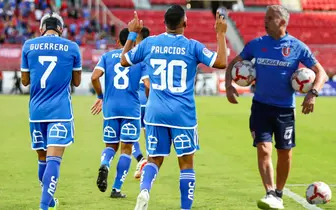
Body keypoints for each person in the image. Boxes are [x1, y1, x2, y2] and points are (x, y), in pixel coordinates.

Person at [120, 5, 228, 210]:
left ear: (165, 23)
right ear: (185, 23)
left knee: (154, 159)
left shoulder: (150, 43)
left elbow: (124, 60)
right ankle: (185, 208)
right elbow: (221, 62)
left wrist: (133, 33)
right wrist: (221, 34)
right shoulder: (192, 46)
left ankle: (144, 190)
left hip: (154, 113)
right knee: (186, 164)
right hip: (182, 114)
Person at [224, 5, 328, 210]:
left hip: (285, 111)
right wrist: (229, 85)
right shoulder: (256, 45)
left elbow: (321, 72)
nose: (265, 21)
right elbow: (233, 64)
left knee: (285, 153)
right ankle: (270, 192)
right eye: (265, 17)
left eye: (269, 18)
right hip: (261, 107)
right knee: (263, 149)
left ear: (282, 22)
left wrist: (312, 93)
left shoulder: (297, 47)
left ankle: (278, 193)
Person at [20, 12, 82, 210]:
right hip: (60, 111)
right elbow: (77, 82)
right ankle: (44, 205)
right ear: (61, 29)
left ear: (41, 28)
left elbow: (24, 81)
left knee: (42, 158)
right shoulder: (72, 47)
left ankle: (49, 201)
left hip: (37, 111)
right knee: (54, 159)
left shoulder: (29, 46)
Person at [90, 27, 150, 198]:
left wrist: (101, 96)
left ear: (118, 42)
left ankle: (105, 164)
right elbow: (147, 85)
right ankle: (116, 189)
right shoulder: (139, 61)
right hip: (131, 109)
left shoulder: (107, 57)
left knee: (110, 146)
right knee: (126, 149)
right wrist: (150, 100)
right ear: (133, 42)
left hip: (110, 109)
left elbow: (94, 77)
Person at [132, 27, 150, 180]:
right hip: (149, 99)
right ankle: (149, 165)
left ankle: (140, 159)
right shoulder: (152, 52)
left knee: (130, 135)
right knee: (149, 134)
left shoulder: (133, 54)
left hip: (134, 99)